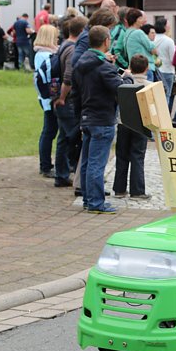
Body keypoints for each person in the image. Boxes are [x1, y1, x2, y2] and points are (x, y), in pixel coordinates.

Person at [72, 25, 131, 214]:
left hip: (87, 117)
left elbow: (76, 94)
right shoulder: (103, 67)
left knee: (88, 162)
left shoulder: (81, 62)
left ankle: (89, 199)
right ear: (106, 41)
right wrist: (127, 78)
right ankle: (96, 202)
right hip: (102, 119)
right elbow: (120, 89)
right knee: (97, 163)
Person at [33, 24, 71, 184]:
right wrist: (53, 97)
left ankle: (48, 164)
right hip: (49, 99)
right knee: (49, 131)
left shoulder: (46, 53)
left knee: (50, 130)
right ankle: (46, 165)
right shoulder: (44, 55)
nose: (57, 39)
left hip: (48, 98)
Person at [55, 15, 87, 186]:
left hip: (63, 99)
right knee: (70, 138)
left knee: (63, 137)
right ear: (82, 31)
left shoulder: (63, 46)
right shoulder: (73, 49)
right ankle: (65, 173)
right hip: (68, 99)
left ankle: (61, 174)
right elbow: (68, 77)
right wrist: (62, 97)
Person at [113, 54, 150, 200]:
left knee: (121, 156)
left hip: (123, 122)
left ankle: (119, 189)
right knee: (137, 156)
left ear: (130, 67)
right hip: (141, 125)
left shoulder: (123, 83)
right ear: (146, 68)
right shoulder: (149, 85)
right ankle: (137, 190)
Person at [123, 9, 158, 81]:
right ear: (135, 20)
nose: (142, 20)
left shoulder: (127, 33)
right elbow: (152, 49)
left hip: (133, 68)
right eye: (140, 18)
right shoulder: (139, 33)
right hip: (145, 68)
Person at [153, 17, 176, 111]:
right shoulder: (169, 41)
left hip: (154, 70)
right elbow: (173, 59)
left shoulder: (151, 39)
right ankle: (164, 119)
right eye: (168, 24)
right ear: (164, 27)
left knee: (155, 97)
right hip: (167, 71)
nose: (169, 26)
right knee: (166, 95)